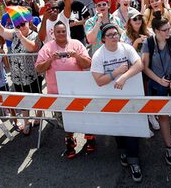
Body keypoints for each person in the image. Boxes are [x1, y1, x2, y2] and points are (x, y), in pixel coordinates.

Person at [88, 23, 145, 181]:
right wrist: (116, 72)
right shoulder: (99, 55)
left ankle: (134, 161)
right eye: (110, 35)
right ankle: (122, 150)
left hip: (129, 95)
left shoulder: (126, 48)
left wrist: (124, 76)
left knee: (130, 128)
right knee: (117, 127)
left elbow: (139, 64)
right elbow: (99, 81)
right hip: (110, 98)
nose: (114, 37)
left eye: (116, 34)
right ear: (103, 39)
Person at [35, 22, 93, 159]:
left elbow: (88, 63)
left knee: (84, 116)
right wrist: (51, 59)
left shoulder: (77, 44)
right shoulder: (47, 48)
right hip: (57, 92)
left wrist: (76, 56)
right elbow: (38, 68)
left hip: (78, 91)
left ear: (67, 31)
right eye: (58, 32)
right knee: (64, 120)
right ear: (53, 34)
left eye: (63, 31)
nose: (61, 34)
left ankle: (90, 137)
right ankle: (70, 141)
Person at [141, 15, 171, 166]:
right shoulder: (148, 43)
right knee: (164, 117)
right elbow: (144, 67)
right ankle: (169, 147)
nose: (169, 32)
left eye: (170, 29)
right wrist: (159, 80)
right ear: (155, 31)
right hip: (158, 86)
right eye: (165, 30)